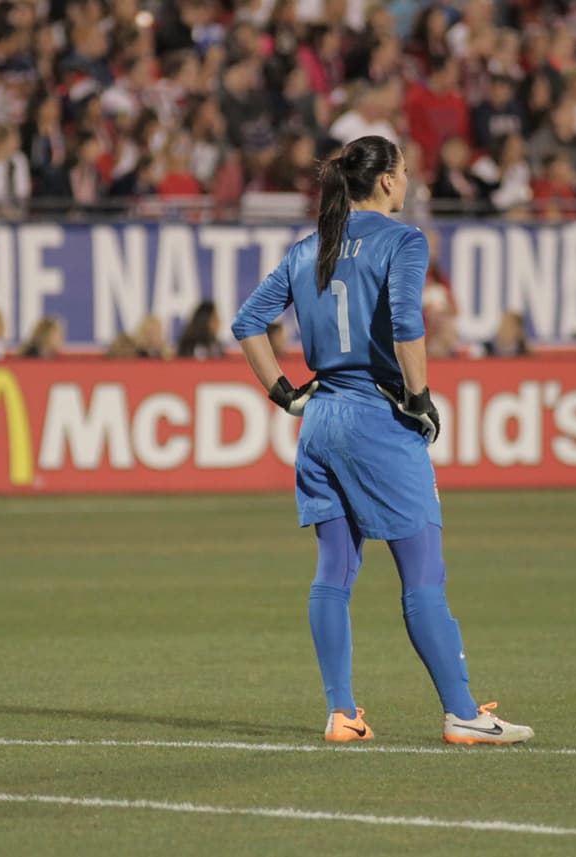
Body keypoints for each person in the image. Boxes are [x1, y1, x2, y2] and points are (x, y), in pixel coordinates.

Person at [230, 135, 533, 746]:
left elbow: (246, 322)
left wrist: (285, 393)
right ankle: (463, 713)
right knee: (423, 575)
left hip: (320, 422)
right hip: (375, 418)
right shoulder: (404, 240)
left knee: (334, 572)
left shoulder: (310, 247)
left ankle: (341, 713)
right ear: (389, 180)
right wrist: (419, 400)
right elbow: (404, 322)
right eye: (406, 170)